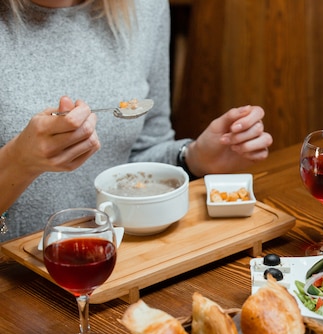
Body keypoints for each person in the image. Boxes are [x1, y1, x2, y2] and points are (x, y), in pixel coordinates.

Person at [0, 0, 272, 242]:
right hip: (15, 276)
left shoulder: (145, 7)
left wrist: (194, 158)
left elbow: (141, 153)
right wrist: (18, 162)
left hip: (120, 258)